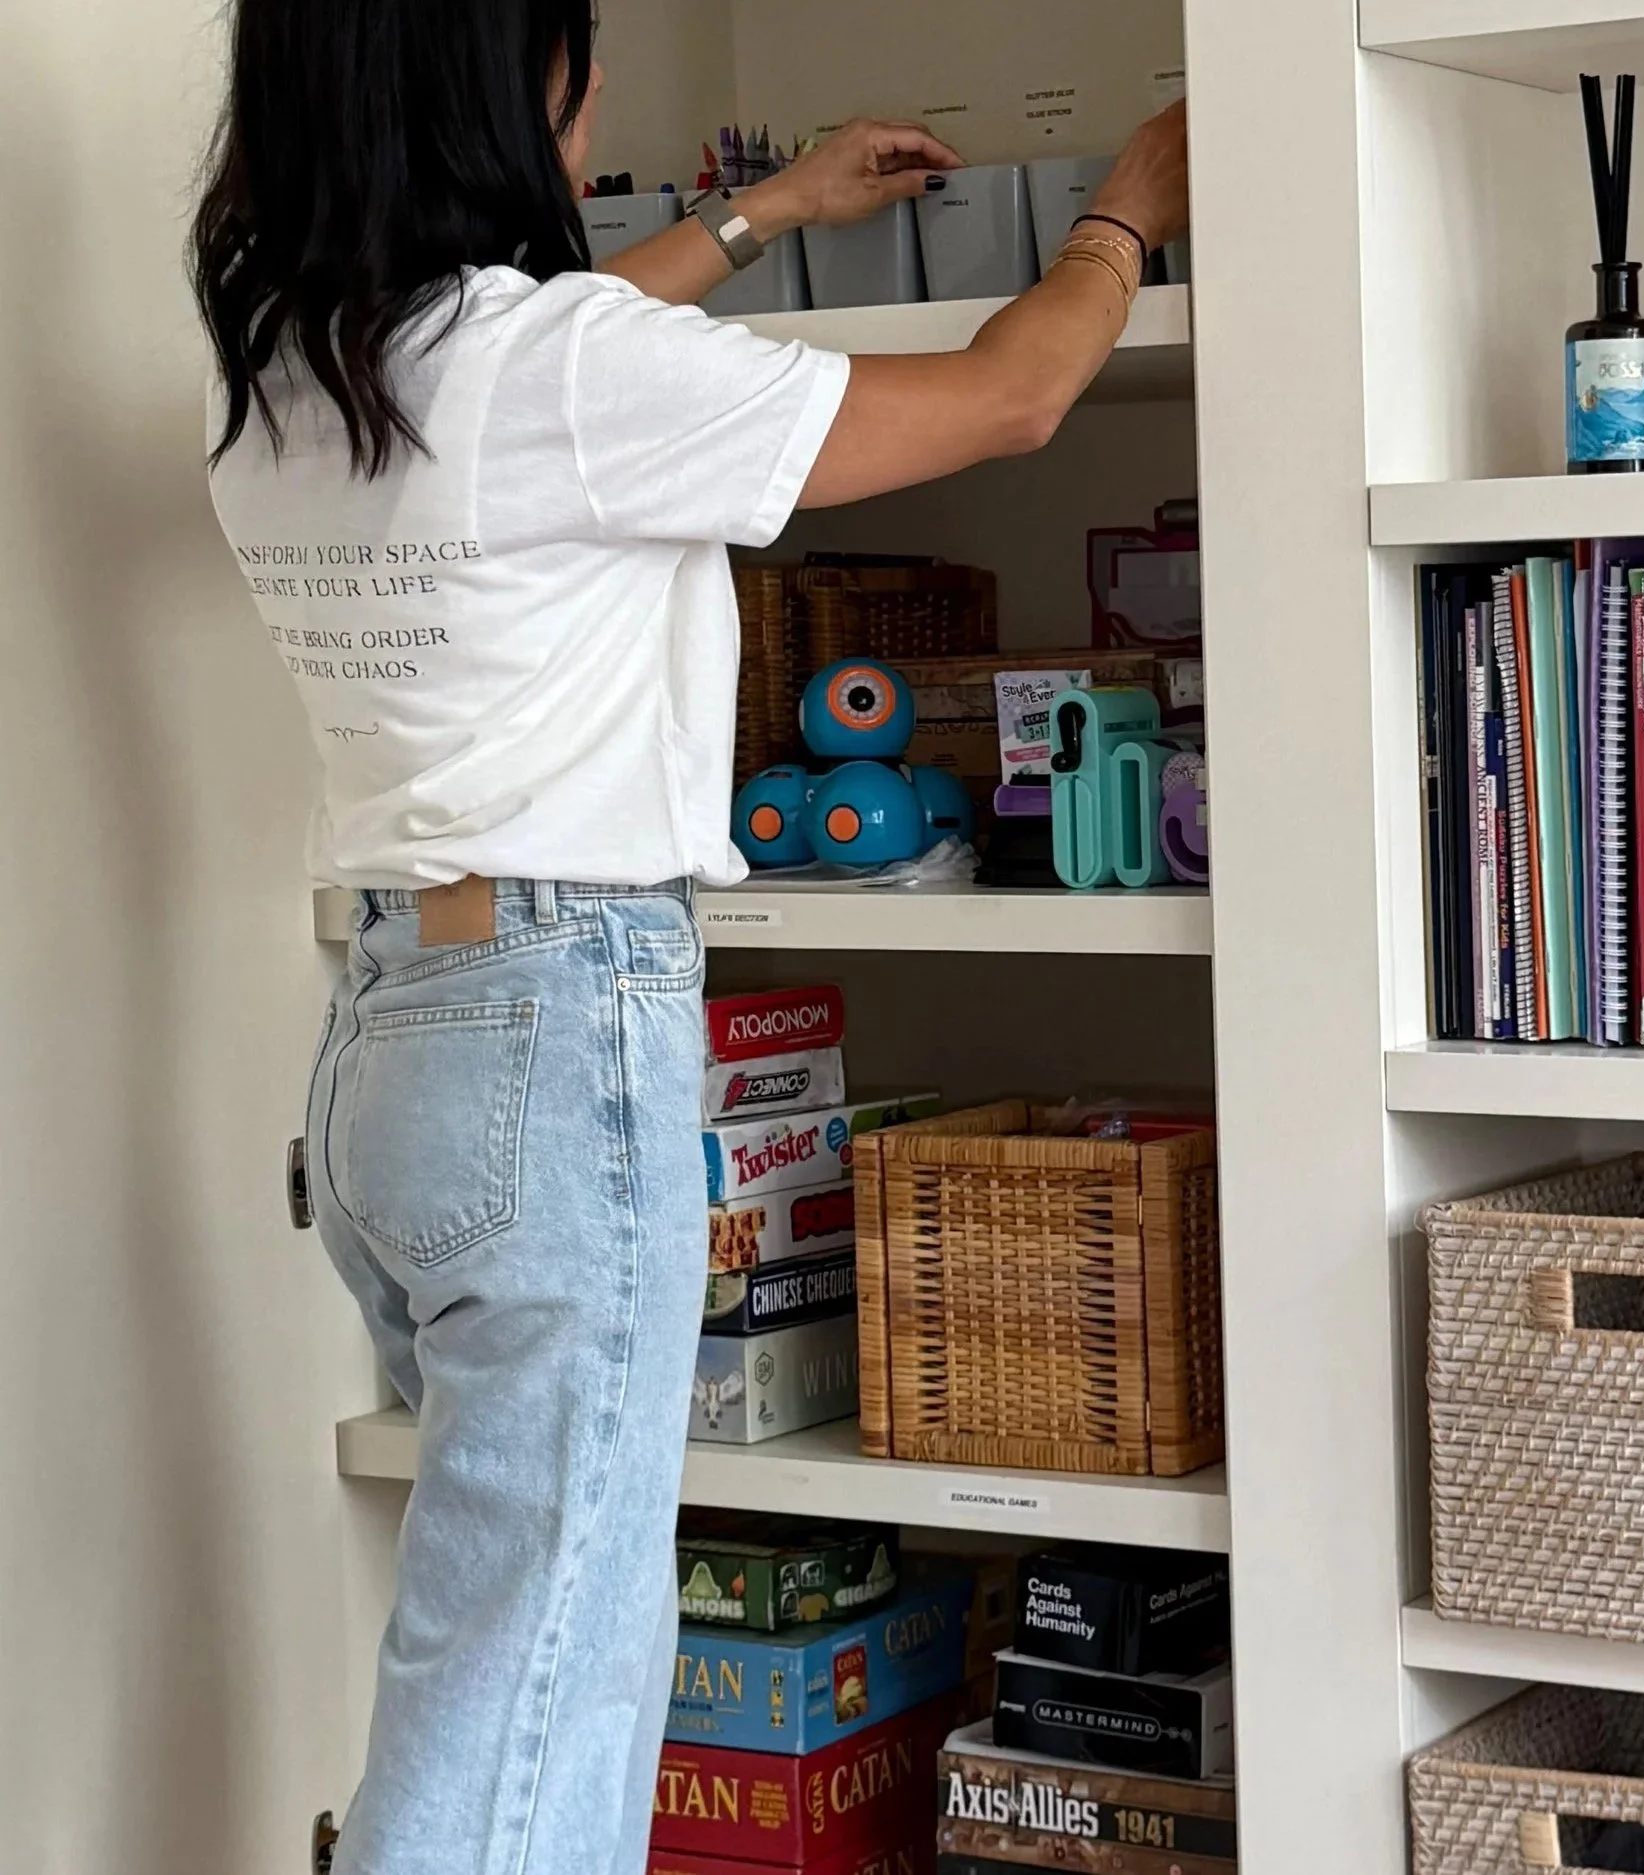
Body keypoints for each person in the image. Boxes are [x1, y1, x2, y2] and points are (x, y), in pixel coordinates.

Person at [190, 3, 1189, 1870]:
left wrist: (769, 216)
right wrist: (1120, 220)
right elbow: (1010, 400)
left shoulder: (298, 365)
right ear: (496, 96)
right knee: (532, 1699)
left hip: (394, 1053)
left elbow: (562, 373)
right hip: (552, 1040)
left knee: (505, 1637)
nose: (589, 117)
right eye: (572, 76)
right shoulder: (547, 365)